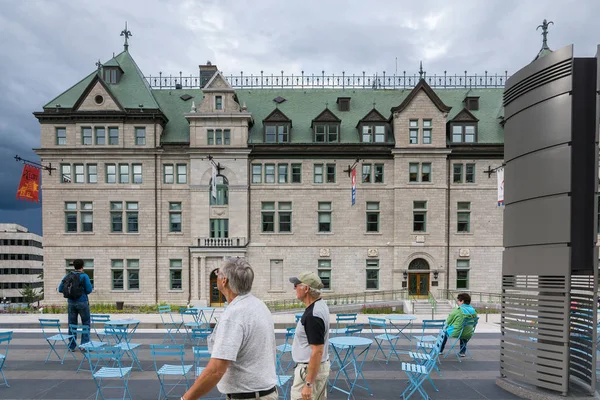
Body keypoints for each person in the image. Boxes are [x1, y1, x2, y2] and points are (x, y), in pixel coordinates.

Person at [182, 257, 277, 400]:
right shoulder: (259, 305)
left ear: (224, 281)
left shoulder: (234, 315)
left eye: (218, 274)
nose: (217, 277)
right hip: (265, 393)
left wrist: (186, 398)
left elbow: (216, 370)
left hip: (249, 397)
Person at [289, 272, 330, 400]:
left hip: (308, 372)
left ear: (306, 289)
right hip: (317, 369)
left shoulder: (313, 315)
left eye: (296, 285)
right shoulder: (320, 305)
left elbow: (317, 350)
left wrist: (308, 383)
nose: (294, 288)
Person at [57, 259, 93, 350]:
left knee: (72, 324)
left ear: (74, 266)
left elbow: (60, 289)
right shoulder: (84, 276)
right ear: (82, 267)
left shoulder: (68, 276)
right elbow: (89, 290)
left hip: (71, 303)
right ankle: (84, 346)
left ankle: (72, 345)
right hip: (82, 302)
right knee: (86, 323)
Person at [439, 292, 478, 357]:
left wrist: (447, 326)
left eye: (458, 301)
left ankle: (440, 350)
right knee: (464, 330)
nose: (458, 302)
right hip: (468, 333)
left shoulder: (458, 310)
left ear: (462, 301)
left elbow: (448, 321)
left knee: (444, 331)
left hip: (456, 332)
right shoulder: (473, 310)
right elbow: (474, 323)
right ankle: (462, 352)